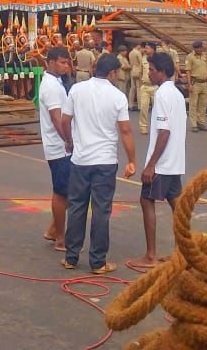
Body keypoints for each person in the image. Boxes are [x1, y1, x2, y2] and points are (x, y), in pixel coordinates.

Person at [61, 53, 136, 275]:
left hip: (80, 159)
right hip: (104, 161)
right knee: (101, 210)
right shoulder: (117, 96)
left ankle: (71, 257)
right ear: (112, 73)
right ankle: (98, 261)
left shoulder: (77, 89)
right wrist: (131, 160)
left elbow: (66, 120)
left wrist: (69, 141)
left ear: (95, 68)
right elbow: (125, 131)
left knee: (76, 207)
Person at [135, 52, 187, 267]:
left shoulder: (163, 95)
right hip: (175, 161)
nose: (150, 73)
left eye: (152, 70)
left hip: (163, 163)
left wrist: (151, 164)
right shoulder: (175, 93)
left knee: (146, 201)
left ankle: (150, 255)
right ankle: (181, 251)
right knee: (177, 204)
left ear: (162, 72)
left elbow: (163, 132)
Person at [38, 46, 73, 252]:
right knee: (61, 192)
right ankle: (60, 238)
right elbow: (56, 117)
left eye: (67, 62)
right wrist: (68, 140)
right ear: (50, 62)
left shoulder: (57, 82)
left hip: (60, 145)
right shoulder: (50, 86)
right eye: (61, 62)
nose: (65, 65)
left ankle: (53, 229)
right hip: (59, 146)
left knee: (67, 190)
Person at [185, 40, 207, 132]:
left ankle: (201, 122)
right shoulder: (190, 57)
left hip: (204, 82)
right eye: (199, 48)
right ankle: (194, 124)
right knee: (193, 104)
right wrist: (189, 84)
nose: (200, 49)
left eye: (201, 48)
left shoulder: (204, 56)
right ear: (195, 48)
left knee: (203, 104)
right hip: (195, 82)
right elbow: (188, 71)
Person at [136, 43, 158, 134]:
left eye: (147, 48)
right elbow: (141, 72)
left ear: (153, 49)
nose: (145, 50)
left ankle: (157, 127)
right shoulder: (143, 58)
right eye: (145, 48)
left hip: (155, 87)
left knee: (157, 109)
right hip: (145, 86)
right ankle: (143, 127)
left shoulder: (158, 59)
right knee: (143, 108)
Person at [127, 42, 145, 110]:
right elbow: (141, 63)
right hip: (138, 71)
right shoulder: (138, 53)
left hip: (132, 71)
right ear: (137, 46)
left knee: (132, 88)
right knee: (138, 89)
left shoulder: (130, 53)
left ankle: (130, 104)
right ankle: (140, 106)